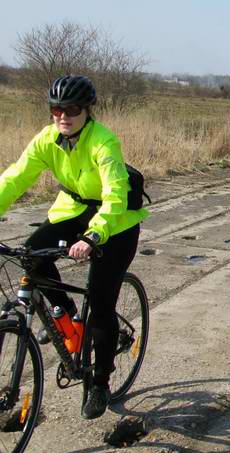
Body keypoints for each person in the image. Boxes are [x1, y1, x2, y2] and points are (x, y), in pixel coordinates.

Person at [0, 75, 149, 419]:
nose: (63, 116)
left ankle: (99, 382)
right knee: (31, 255)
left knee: (100, 299)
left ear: (86, 110)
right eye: (56, 109)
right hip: (73, 209)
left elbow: (114, 194)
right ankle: (67, 314)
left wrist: (94, 236)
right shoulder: (47, 139)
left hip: (114, 222)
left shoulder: (103, 141)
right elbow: (16, 177)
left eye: (71, 109)